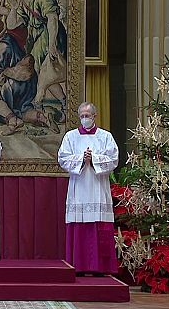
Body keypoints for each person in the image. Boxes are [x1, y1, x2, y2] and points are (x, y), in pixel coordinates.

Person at [57, 102, 119, 276]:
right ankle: (79, 265)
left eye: (87, 115)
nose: (85, 119)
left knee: (99, 225)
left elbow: (113, 159)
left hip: (98, 187)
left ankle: (100, 267)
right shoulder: (70, 137)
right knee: (80, 226)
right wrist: (81, 159)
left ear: (94, 116)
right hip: (79, 187)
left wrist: (94, 159)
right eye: (82, 116)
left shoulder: (105, 136)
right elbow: (62, 159)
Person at [6, 0, 67, 128]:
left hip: (50, 34)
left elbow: (52, 19)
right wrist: (13, 9)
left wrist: (52, 44)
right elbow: (12, 25)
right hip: (37, 38)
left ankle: (39, 104)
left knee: (41, 71)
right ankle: (64, 104)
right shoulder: (22, 1)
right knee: (42, 73)